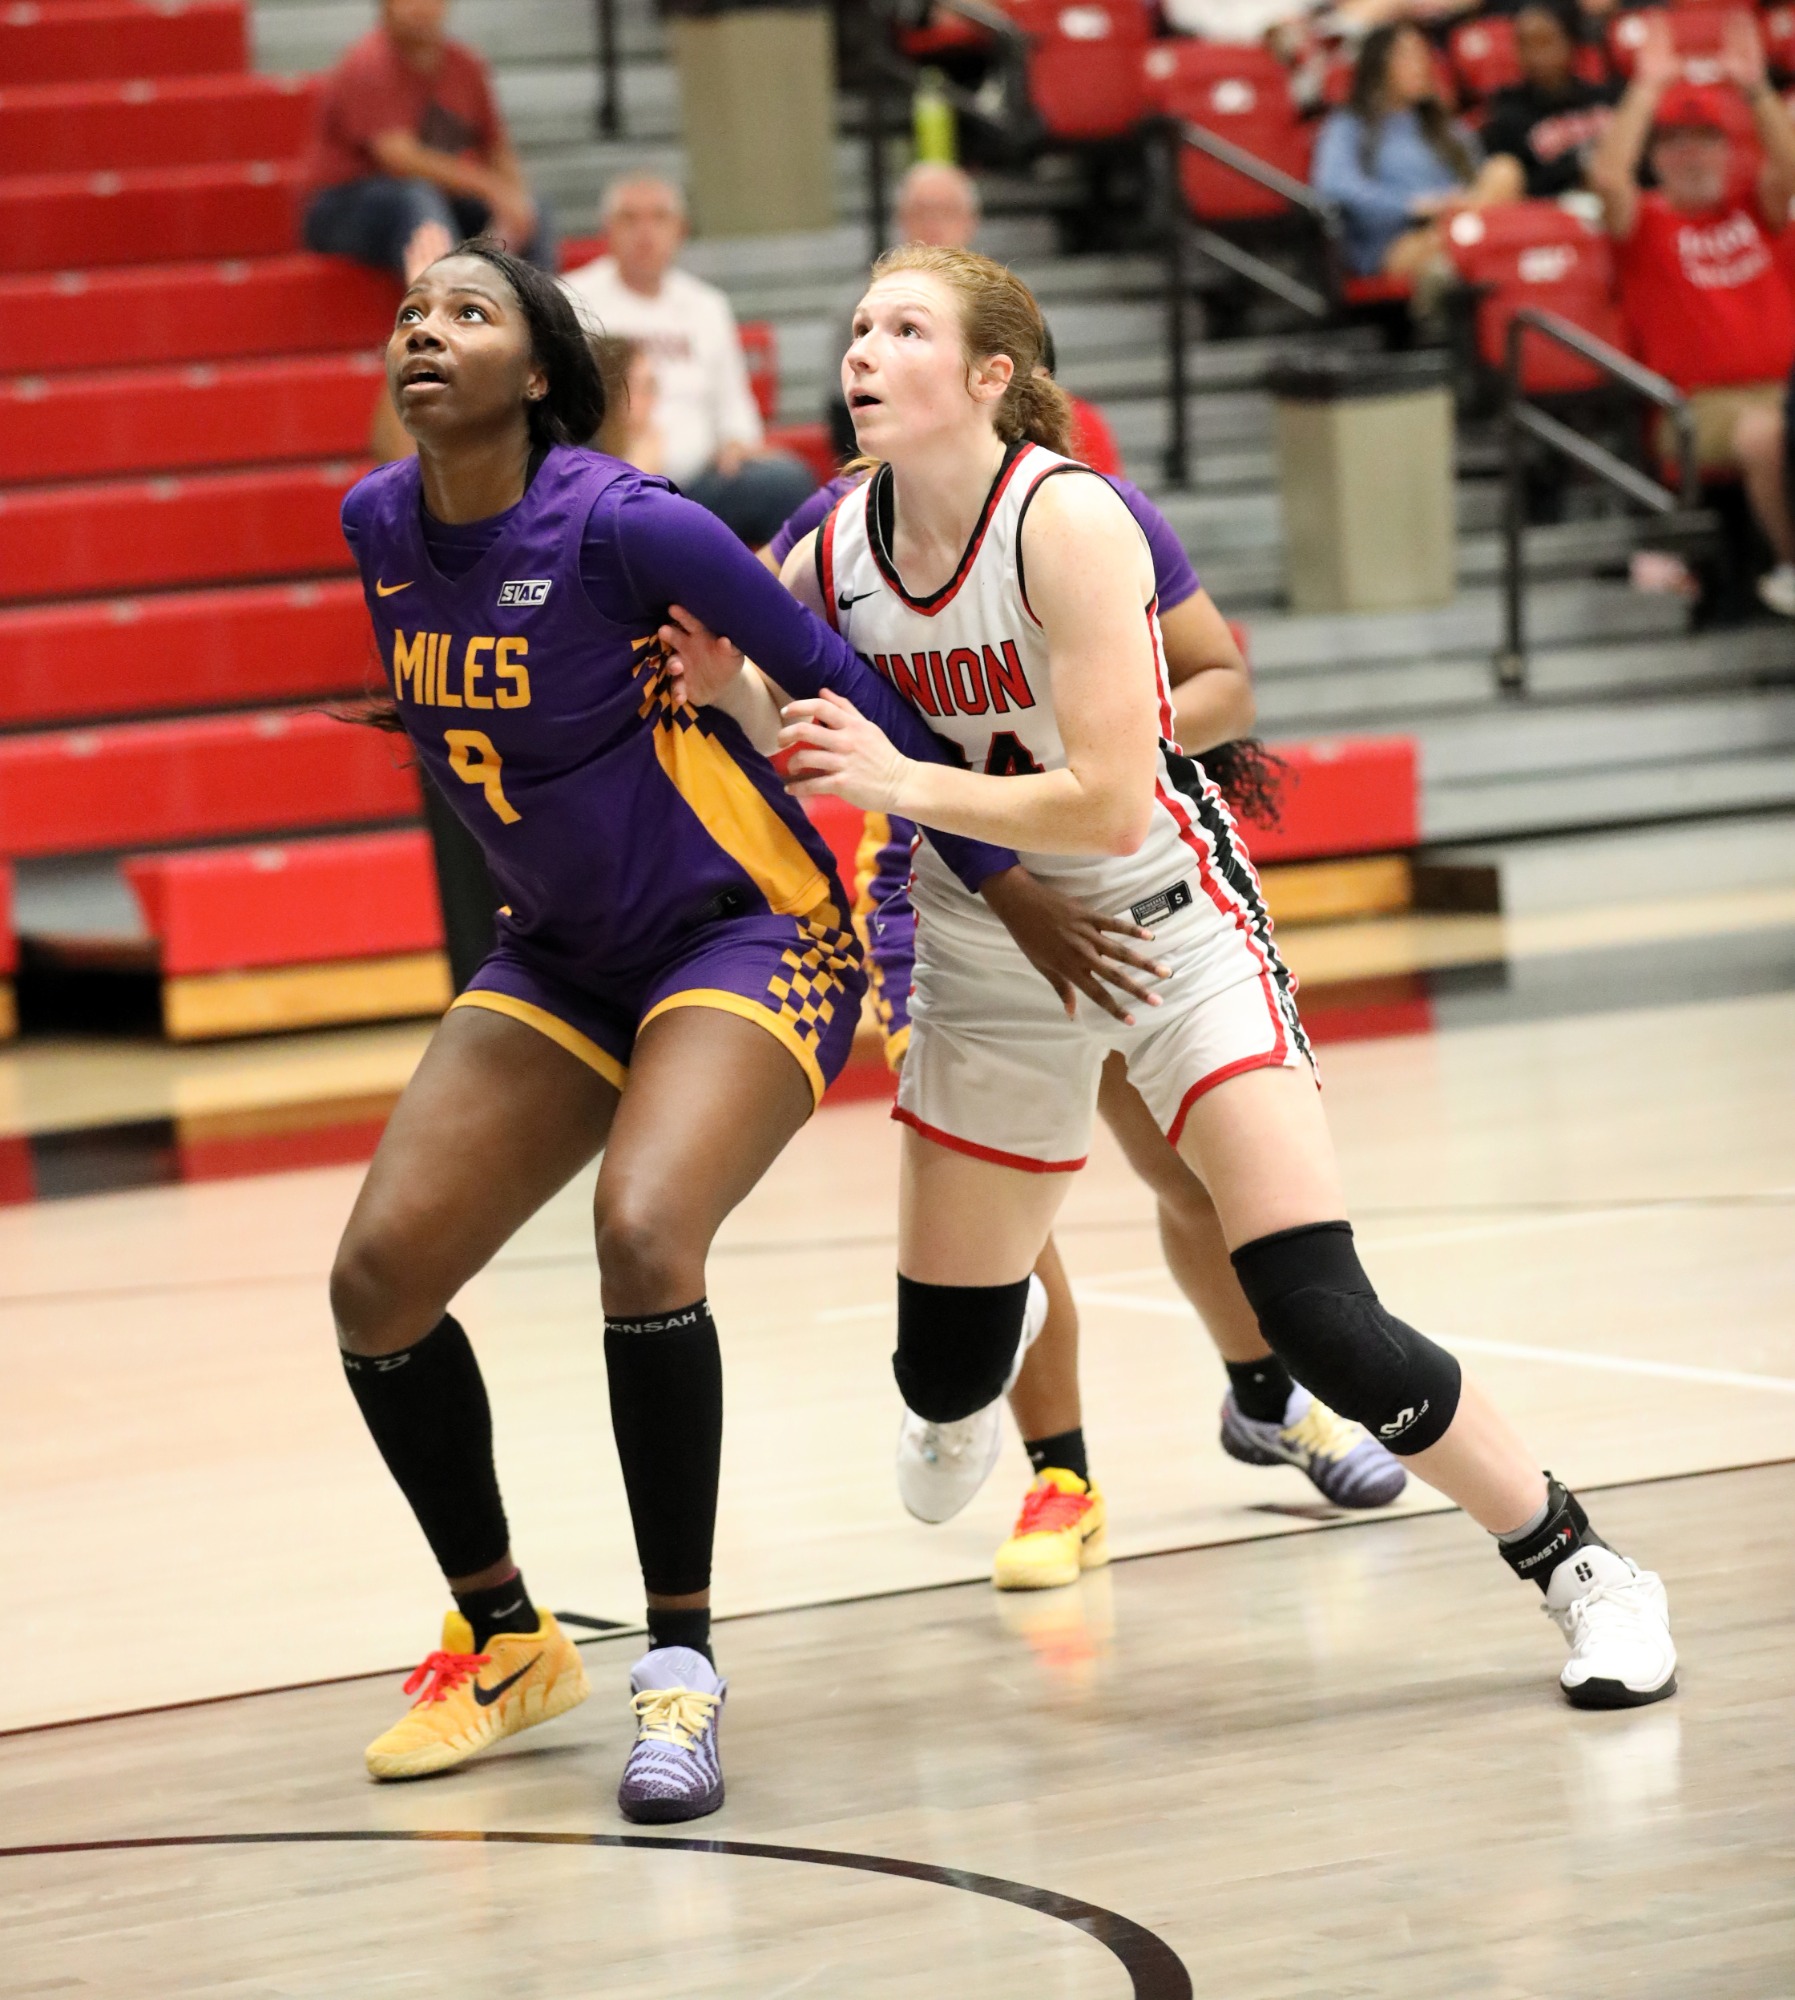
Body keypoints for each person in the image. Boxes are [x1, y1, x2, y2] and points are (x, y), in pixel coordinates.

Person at [668, 244, 1679, 1708]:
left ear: (991, 375)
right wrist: (730, 689)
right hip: (972, 947)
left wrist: (898, 775)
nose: (861, 350)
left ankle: (1581, 1566)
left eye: (902, 327)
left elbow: (1102, 800)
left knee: (1319, 1310)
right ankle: (989, 1304)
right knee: (941, 1386)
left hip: (1161, 923)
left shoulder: (1068, 521)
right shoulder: (828, 542)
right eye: (858, 326)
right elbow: (782, 716)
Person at [331, 238, 1069, 1824]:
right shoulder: (376, 525)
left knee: (644, 1227)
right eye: (410, 313)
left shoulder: (629, 521)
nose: (424, 331)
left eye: (468, 312)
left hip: (752, 930)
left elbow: (848, 681)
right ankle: (508, 1633)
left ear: (536, 373)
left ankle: (680, 1667)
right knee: (377, 1282)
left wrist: (1010, 880)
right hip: (562, 956)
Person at [763, 478, 1407, 1591]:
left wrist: (1098, 738)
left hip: (1115, 877)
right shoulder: (843, 526)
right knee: (1005, 1205)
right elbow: (754, 669)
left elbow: (1221, 680)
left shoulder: (1088, 516)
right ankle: (1060, 1476)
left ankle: (1264, 1397)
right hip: (952, 902)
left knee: (1190, 1174)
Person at [1590, 13, 1795, 615]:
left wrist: (1755, 91)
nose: (1691, 155)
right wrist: (1646, 88)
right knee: (1766, 435)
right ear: (1656, 157)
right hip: (1698, 406)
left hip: (1783, 388)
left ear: (1730, 151)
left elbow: (1787, 165)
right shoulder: (1646, 226)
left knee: (1776, 423)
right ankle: (1791, 565)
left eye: (1705, 140)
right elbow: (1606, 178)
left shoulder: (1754, 210)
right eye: (1675, 142)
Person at [561, 176, 814, 545]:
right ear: (607, 230)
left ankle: (777, 593)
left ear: (681, 229)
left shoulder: (707, 306)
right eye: (630, 219)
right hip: (606, 476)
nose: (645, 232)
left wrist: (735, 444)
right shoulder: (569, 297)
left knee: (787, 481)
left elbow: (736, 413)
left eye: (658, 218)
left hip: (699, 483)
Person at [301, 0, 551, 283]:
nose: (420, 7)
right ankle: (448, 312)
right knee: (416, 201)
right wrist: (492, 188)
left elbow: (496, 149)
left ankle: (539, 319)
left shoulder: (466, 66)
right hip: (343, 207)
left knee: (533, 207)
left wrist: (515, 201)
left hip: (435, 201)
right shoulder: (368, 62)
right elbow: (399, 159)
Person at [1313, 24, 1523, 280]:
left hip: (1456, 221)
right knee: (1455, 237)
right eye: (1406, 55)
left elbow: (1479, 184)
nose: (1419, 65)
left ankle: (1466, 238)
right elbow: (1334, 185)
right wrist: (1412, 205)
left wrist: (1455, 202)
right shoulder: (1348, 125)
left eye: (1423, 55)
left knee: (1504, 169)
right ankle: (1465, 240)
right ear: (1377, 64)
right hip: (1397, 242)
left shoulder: (1446, 125)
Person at [1480, 0, 1616, 200]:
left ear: (1570, 40)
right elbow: (1521, 186)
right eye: (1524, 44)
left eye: (1545, 42)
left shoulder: (1605, 98)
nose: (1535, 56)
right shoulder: (1505, 113)